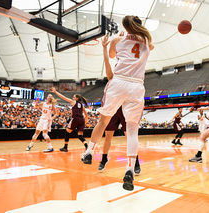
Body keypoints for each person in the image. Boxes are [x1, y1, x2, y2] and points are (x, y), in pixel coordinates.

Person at [81, 15, 154, 191]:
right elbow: (147, 45)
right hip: (137, 86)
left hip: (119, 82)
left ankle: (89, 152)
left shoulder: (117, 39)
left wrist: (107, 46)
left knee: (103, 121)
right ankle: (129, 169)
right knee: (132, 131)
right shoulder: (147, 42)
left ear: (125, 26)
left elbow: (112, 56)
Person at [98, 35, 141, 173]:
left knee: (130, 135)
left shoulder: (128, 78)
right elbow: (106, 60)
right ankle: (104, 159)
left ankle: (135, 162)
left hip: (125, 107)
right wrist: (106, 48)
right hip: (113, 108)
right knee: (108, 136)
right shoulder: (112, 77)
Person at [50, 87, 88, 152]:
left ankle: (65, 147)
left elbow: (63, 97)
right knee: (80, 135)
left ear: (77, 98)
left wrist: (56, 92)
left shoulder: (73, 102)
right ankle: (87, 146)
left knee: (67, 132)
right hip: (82, 120)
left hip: (75, 118)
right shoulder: (82, 105)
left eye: (74, 97)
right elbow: (86, 115)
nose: (73, 98)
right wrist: (85, 123)